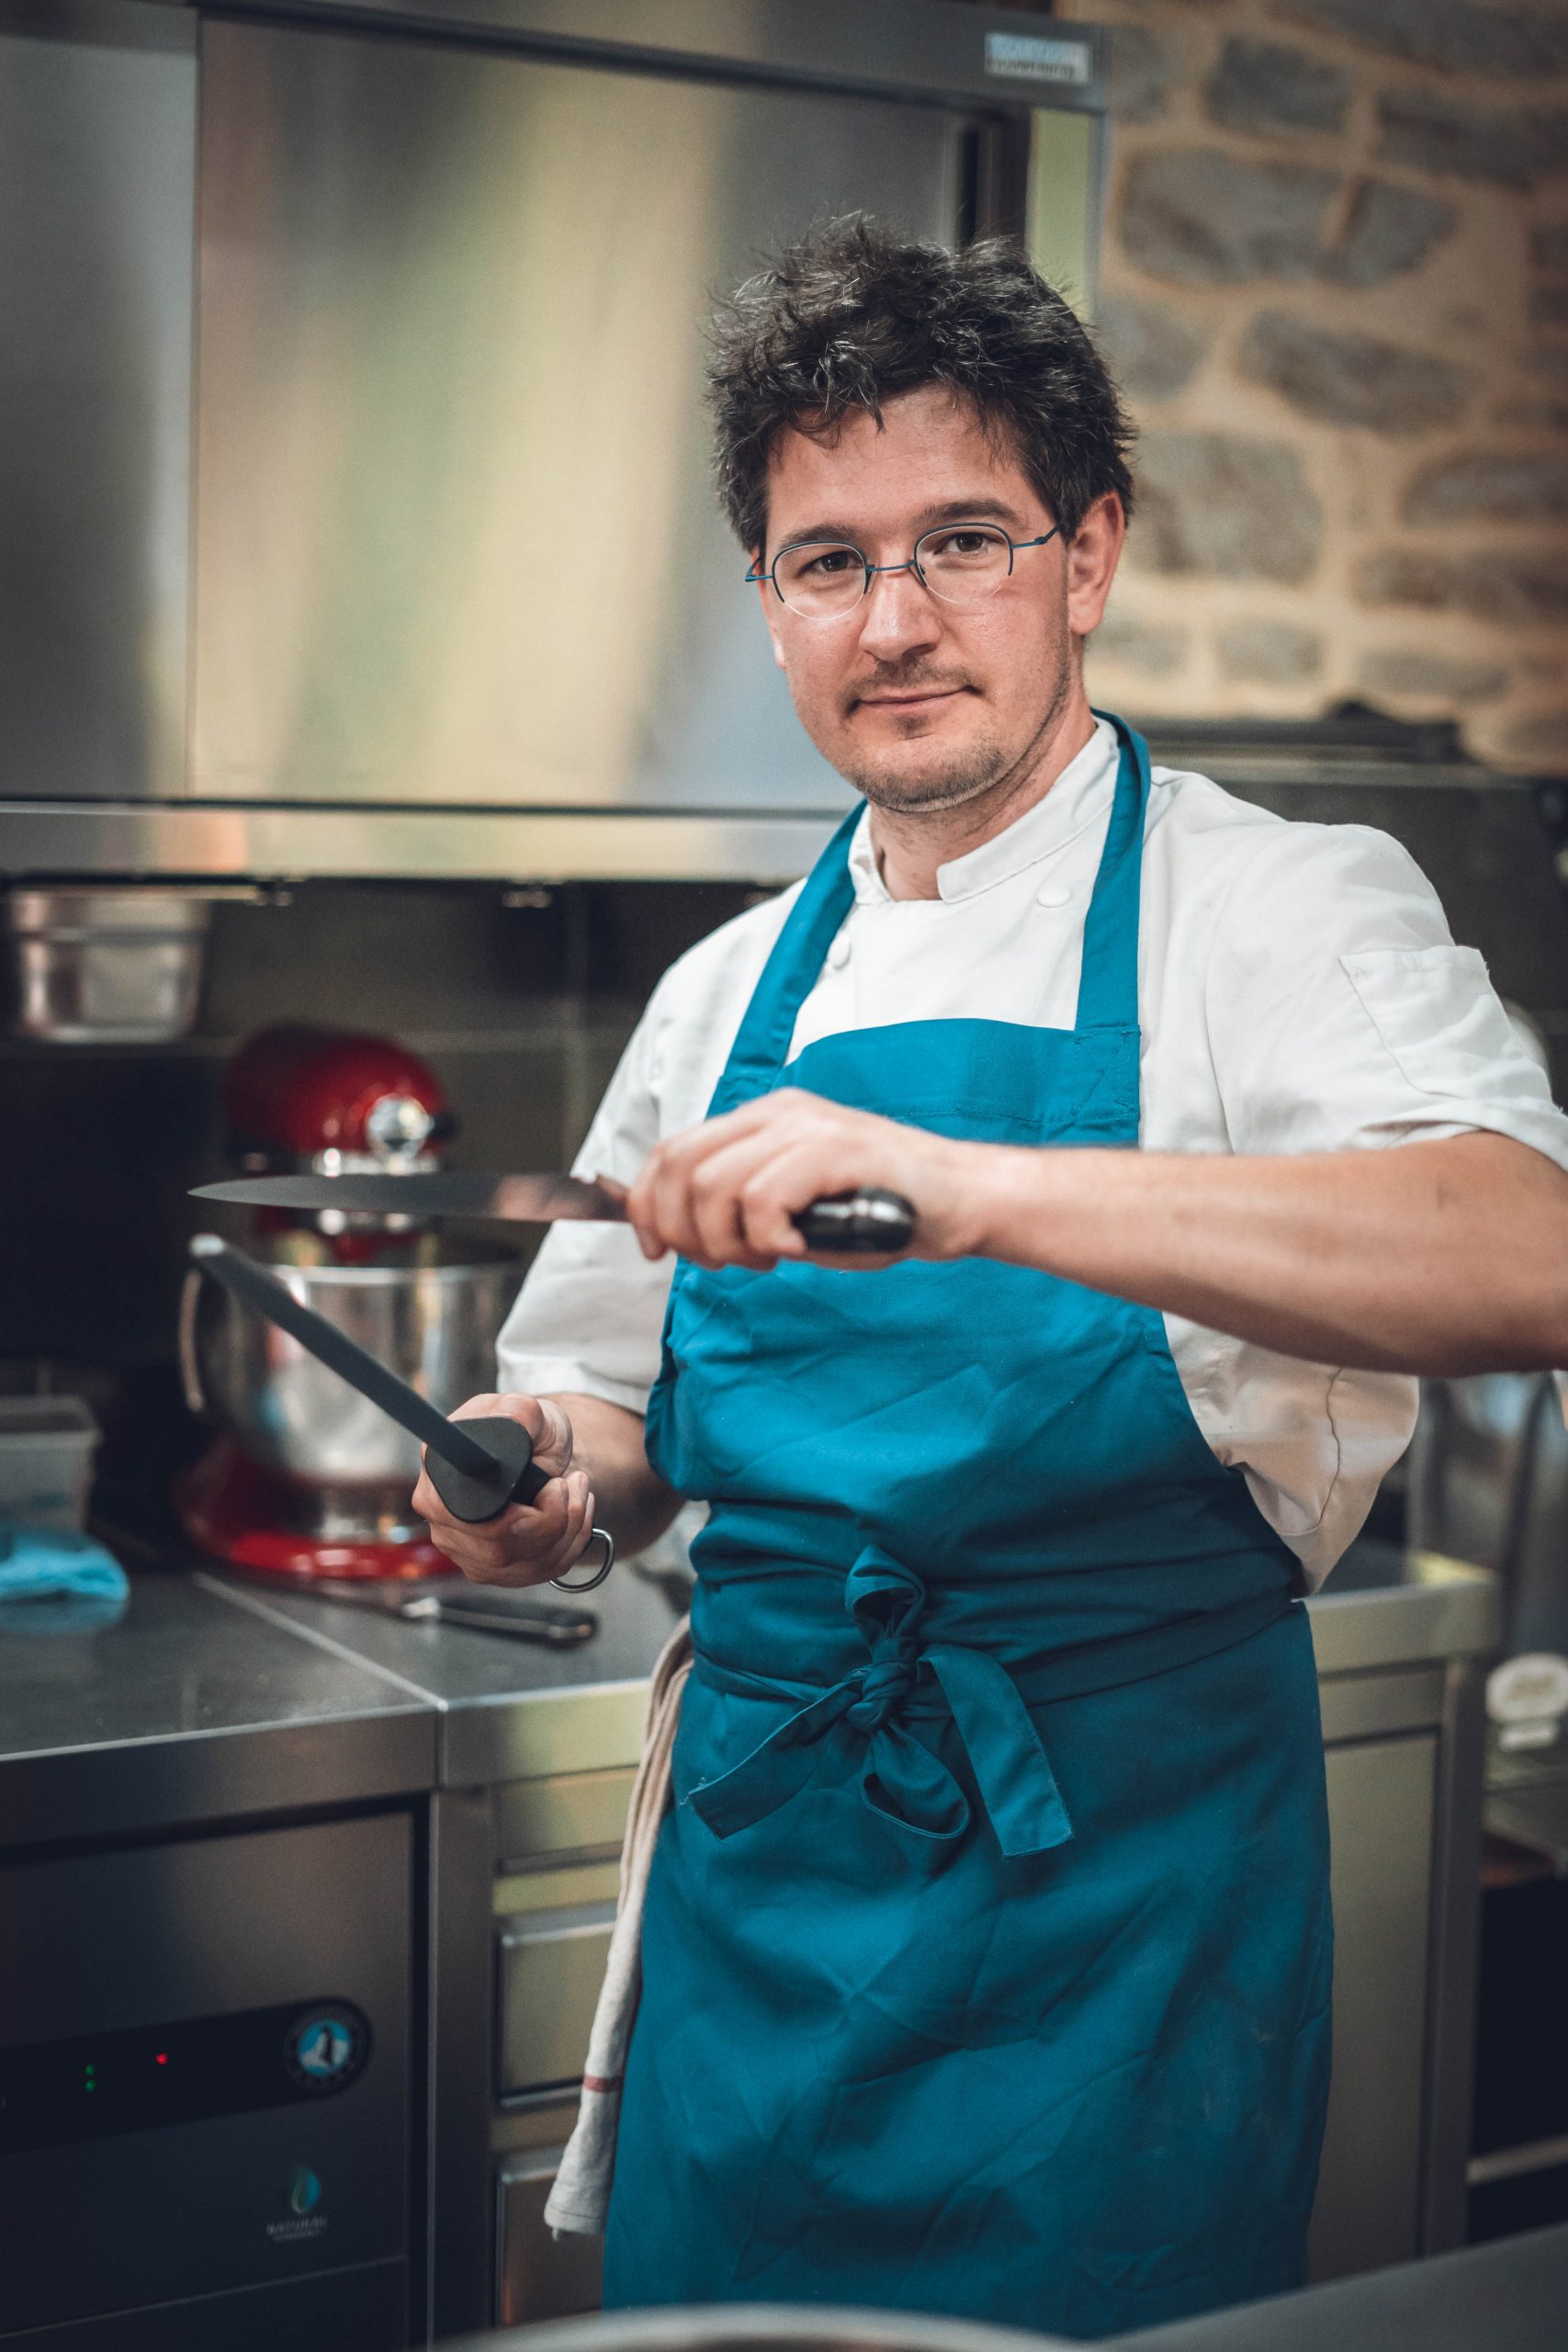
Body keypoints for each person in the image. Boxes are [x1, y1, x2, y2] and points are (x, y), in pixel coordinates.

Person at [415, 221, 1568, 2337]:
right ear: (766, 604)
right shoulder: (718, 988)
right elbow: (608, 1407)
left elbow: (1522, 1249)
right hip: (758, 1925)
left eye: (963, 538)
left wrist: (973, 1183)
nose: (899, 617)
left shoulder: (1277, 911)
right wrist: (534, 1469)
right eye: (825, 560)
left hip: (1113, 1924)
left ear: (1087, 553)